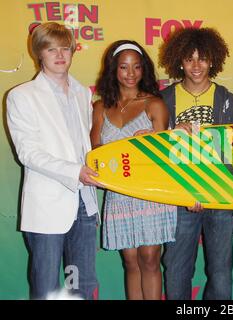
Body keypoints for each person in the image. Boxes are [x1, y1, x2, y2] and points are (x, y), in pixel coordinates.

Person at [6, 22, 100, 300]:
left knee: (79, 286)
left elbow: (85, 145)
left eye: (65, 48)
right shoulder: (21, 96)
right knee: (46, 289)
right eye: (51, 49)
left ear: (73, 51)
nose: (59, 55)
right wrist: (76, 172)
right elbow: (28, 153)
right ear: (39, 54)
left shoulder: (83, 93)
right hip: (47, 208)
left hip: (85, 205)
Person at [159, 27, 233, 300]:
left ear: (213, 60)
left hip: (220, 198)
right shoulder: (163, 100)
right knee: (176, 268)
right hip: (181, 196)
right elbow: (158, 153)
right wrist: (171, 134)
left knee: (220, 272)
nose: (196, 66)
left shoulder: (228, 101)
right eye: (189, 59)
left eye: (203, 58)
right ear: (178, 61)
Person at [90, 40, 177, 300]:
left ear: (144, 70)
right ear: (113, 70)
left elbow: (166, 156)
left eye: (136, 67)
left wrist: (151, 141)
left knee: (150, 258)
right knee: (130, 261)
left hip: (150, 191)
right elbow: (95, 150)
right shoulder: (100, 107)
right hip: (118, 193)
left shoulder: (154, 104)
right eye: (124, 67)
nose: (131, 74)